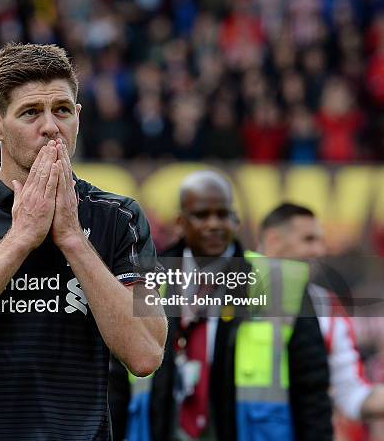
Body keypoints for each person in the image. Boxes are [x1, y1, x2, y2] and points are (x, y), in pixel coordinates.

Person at [0, 42, 167, 440]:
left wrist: (73, 239)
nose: (50, 126)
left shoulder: (121, 216)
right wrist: (21, 237)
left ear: (77, 116)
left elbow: (146, 352)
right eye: (30, 112)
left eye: (62, 110)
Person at [110, 170, 333, 441]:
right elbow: (116, 384)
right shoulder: (145, 282)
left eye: (223, 214)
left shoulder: (281, 284)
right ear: (180, 222)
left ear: (236, 221)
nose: (214, 224)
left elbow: (311, 390)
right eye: (202, 215)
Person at [260, 203, 384, 423]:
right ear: (273, 241)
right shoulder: (228, 296)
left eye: (321, 241)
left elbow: (351, 391)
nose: (320, 251)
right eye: (309, 240)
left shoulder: (327, 306)